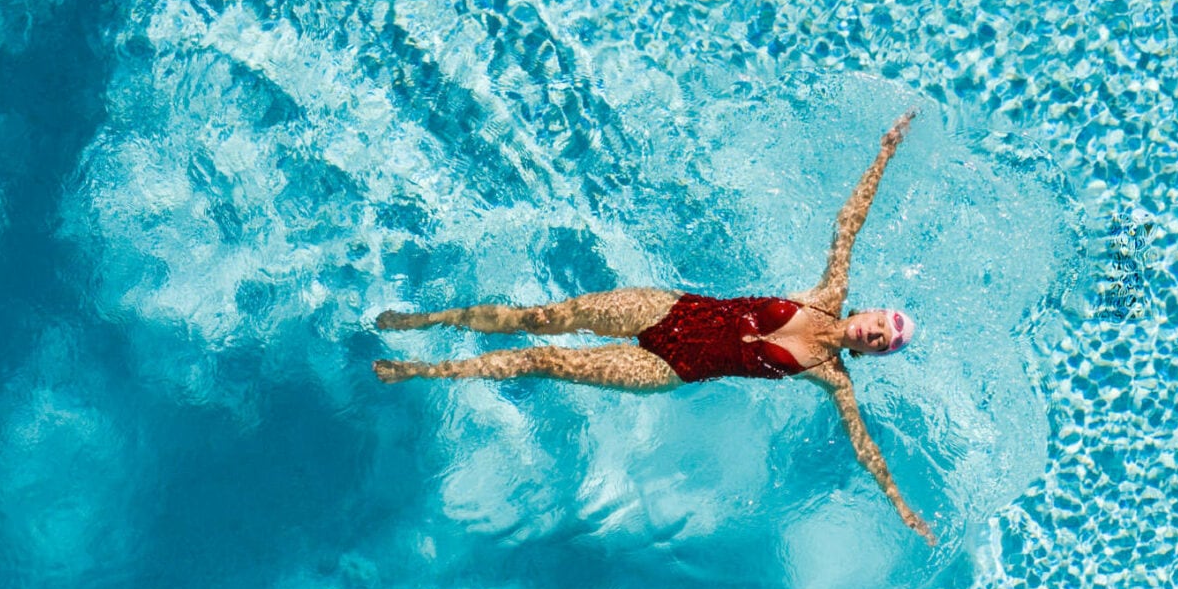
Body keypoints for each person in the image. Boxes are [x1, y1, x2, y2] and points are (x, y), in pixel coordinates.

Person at [374, 111, 935, 542]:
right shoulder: (826, 296)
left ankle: (427, 369)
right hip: (672, 310)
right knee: (540, 319)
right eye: (879, 323)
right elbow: (848, 224)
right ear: (867, 312)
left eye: (882, 343)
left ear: (872, 352)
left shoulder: (833, 376)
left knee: (542, 360)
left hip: (673, 365)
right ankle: (426, 318)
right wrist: (885, 152)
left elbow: (864, 448)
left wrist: (900, 504)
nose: (874, 334)